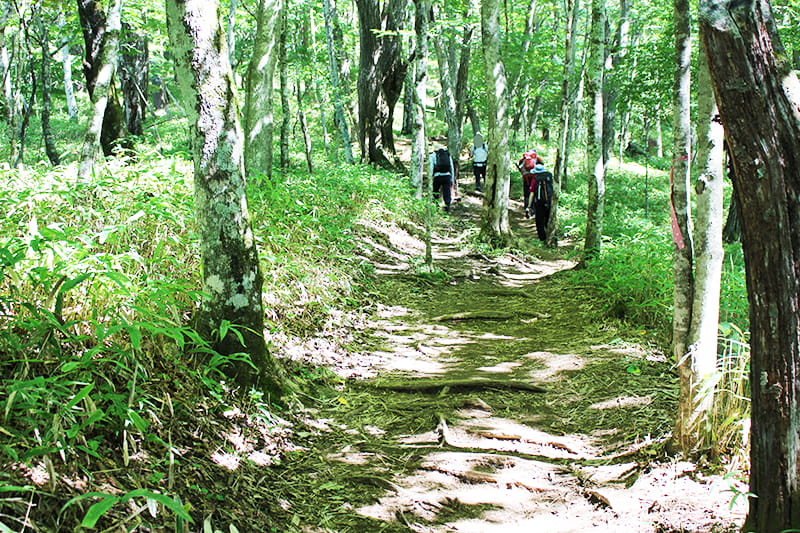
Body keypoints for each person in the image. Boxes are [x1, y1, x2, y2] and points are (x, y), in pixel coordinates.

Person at [530, 162, 554, 241]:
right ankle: (551, 237)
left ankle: (542, 239)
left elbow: (532, 193)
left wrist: (529, 206)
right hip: (550, 201)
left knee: (539, 221)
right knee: (548, 219)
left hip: (540, 203)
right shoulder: (549, 176)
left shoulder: (535, 179)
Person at [517, 149, 543, 218]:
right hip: (534, 177)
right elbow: (542, 165)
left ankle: (526, 208)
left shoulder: (524, 158)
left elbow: (518, 164)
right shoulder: (537, 158)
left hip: (525, 177)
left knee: (526, 193)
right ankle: (533, 210)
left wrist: (521, 171)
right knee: (534, 193)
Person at [429, 147, 454, 212]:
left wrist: (430, 177)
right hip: (447, 176)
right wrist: (452, 179)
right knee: (447, 191)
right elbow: (451, 167)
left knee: (435, 191)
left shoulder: (432, 155)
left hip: (437, 176)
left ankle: (436, 206)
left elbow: (431, 167)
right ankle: (447, 207)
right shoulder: (448, 155)